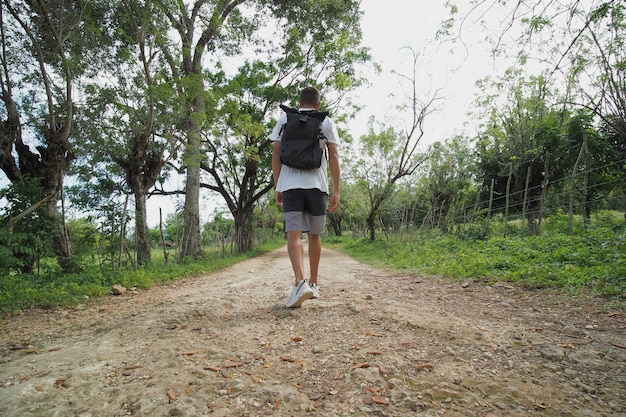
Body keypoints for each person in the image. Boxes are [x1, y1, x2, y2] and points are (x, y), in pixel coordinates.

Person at [271, 86, 341, 308]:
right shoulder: (326, 121)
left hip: (291, 185)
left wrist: (278, 185)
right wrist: (336, 190)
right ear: (318, 104)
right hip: (317, 187)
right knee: (314, 235)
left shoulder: (285, 119)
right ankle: (314, 282)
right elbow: (334, 156)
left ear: (299, 102)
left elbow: (276, 154)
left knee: (294, 235)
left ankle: (300, 282)